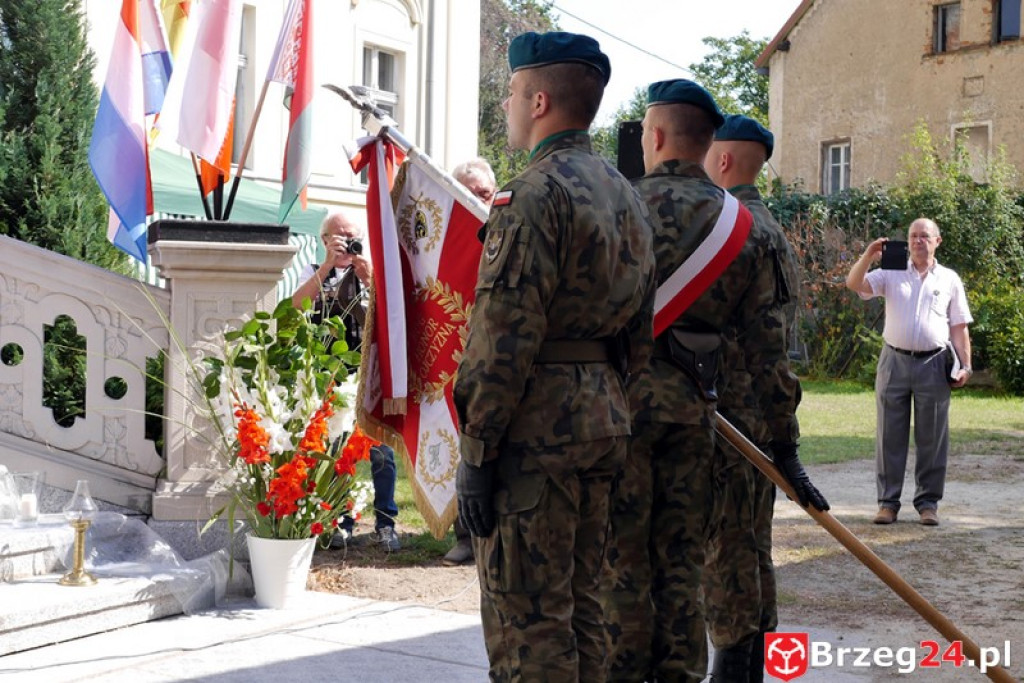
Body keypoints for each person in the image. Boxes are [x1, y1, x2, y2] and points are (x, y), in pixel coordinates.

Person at [602, 81, 827, 683]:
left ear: (653, 136)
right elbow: (769, 351)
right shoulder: (747, 228)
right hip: (704, 424)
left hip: (616, 418)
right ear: (707, 147)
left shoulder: (615, 206)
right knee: (684, 571)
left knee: (622, 567)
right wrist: (787, 444)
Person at [453, 31, 656, 681]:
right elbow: (640, 332)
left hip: (535, 436)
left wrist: (477, 453)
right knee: (588, 608)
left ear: (539, 100)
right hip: (605, 422)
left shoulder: (531, 195)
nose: (508, 104)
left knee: (528, 623)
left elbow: (501, 339)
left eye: (512, 92)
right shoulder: (626, 194)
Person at [702, 114, 802, 681]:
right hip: (759, 419)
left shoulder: (734, 228)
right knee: (749, 550)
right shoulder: (768, 226)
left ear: (721, 161)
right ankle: (749, 664)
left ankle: (733, 671)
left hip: (730, 421)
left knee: (729, 554)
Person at [845, 218, 973, 527]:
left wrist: (966, 364)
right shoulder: (890, 271)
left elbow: (958, 326)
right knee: (890, 434)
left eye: (924, 236)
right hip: (894, 361)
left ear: (937, 241)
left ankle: (928, 504)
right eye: (913, 236)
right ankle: (888, 504)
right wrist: (868, 256)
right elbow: (854, 284)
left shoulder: (949, 279)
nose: (918, 241)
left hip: (935, 363)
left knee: (932, 436)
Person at [292, 212, 401, 551]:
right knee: (337, 452)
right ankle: (341, 521)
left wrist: (370, 280)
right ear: (324, 240)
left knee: (382, 452)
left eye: (353, 237)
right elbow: (295, 306)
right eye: (340, 237)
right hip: (331, 377)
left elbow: (393, 315)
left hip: (370, 377)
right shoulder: (314, 272)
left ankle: (386, 523)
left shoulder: (372, 274)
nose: (348, 244)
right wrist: (327, 266)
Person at [442, 157, 498, 568]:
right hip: (458, 353)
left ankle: (492, 533)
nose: (477, 201)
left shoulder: (510, 229)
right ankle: (465, 533)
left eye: (482, 194)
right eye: (468, 194)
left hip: (501, 353)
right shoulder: (451, 238)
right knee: (458, 442)